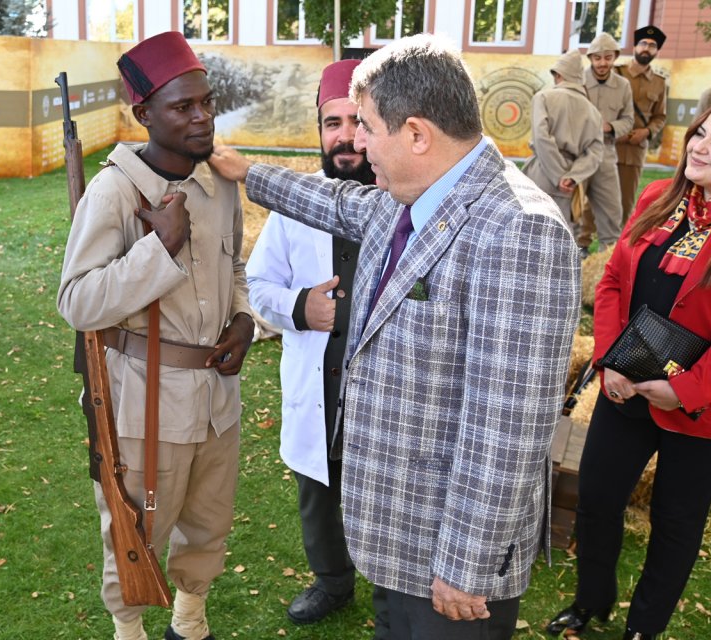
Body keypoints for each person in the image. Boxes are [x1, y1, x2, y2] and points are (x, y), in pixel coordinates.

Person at [209, 34, 581, 639]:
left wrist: (467, 564)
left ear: (416, 134)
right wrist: (246, 171)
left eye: (368, 127)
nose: (356, 143)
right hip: (398, 538)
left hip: (449, 563)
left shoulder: (517, 230)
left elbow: (507, 424)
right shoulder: (408, 198)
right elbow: (329, 199)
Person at [545, 94, 711, 640]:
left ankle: (644, 629)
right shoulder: (660, 196)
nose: (698, 147)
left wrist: (687, 389)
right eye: (699, 133)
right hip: (626, 386)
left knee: (675, 522)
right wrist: (609, 360)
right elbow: (614, 280)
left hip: (709, 403)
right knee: (596, 500)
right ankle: (591, 602)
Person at [57, 31, 254, 640]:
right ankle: (130, 630)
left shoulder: (219, 181)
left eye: (207, 103)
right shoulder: (115, 191)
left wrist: (245, 321)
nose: (201, 118)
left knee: (208, 521)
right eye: (182, 107)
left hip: (217, 398)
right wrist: (158, 247)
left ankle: (190, 621)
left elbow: (237, 270)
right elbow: (78, 301)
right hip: (147, 403)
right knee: (136, 531)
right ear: (144, 114)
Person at [245, 58, 388, 635]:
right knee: (318, 494)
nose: (346, 136)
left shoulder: (409, 201)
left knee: (385, 501)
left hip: (384, 392)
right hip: (318, 385)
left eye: (359, 121)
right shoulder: (295, 205)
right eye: (333, 123)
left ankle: (393, 593)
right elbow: (258, 284)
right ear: (319, 130)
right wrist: (301, 308)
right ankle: (332, 582)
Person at [524, 50, 604, 238]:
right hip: (570, 183)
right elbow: (595, 152)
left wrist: (557, 175)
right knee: (560, 238)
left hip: (542, 173)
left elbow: (542, 138)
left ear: (559, 75)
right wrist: (572, 177)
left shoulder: (543, 97)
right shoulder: (594, 112)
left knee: (530, 236)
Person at [579, 32, 636, 253]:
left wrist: (610, 127)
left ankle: (608, 256)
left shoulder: (623, 85)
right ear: (590, 58)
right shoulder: (578, 81)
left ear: (615, 57)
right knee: (574, 208)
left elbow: (629, 120)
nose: (603, 63)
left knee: (612, 209)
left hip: (606, 152)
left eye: (608, 57)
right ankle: (577, 249)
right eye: (598, 58)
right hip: (579, 153)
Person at [616, 26, 668, 225]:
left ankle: (616, 242)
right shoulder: (616, 73)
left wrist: (647, 132)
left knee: (626, 200)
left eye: (652, 45)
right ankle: (584, 241)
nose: (647, 48)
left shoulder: (659, 83)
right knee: (595, 195)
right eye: (643, 43)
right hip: (610, 144)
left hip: (635, 149)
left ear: (656, 51)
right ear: (635, 46)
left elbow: (660, 116)